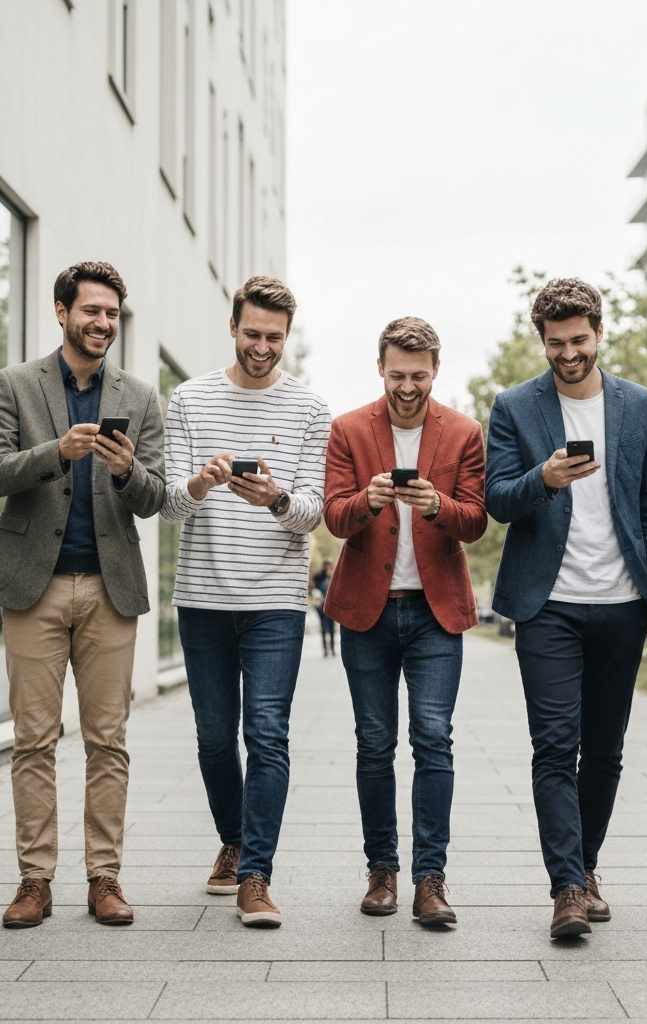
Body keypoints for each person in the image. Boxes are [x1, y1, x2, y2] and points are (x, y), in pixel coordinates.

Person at [0, 262, 166, 928]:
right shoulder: (15, 384)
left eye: (112, 314)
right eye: (91, 311)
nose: (103, 323)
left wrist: (127, 470)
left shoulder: (140, 397)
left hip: (111, 591)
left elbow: (155, 497)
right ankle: (35, 880)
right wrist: (56, 452)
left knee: (108, 742)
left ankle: (104, 877)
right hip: (34, 588)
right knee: (33, 740)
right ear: (62, 312)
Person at [485, 279, 647, 939]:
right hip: (548, 605)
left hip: (622, 604)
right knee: (556, 745)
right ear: (542, 341)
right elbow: (496, 499)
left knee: (606, 750)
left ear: (599, 333)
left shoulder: (640, 405)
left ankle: (586, 868)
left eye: (579, 340)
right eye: (556, 343)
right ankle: (566, 888)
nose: (569, 354)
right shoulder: (514, 406)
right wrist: (544, 479)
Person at [161, 276, 330, 929]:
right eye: (253, 333)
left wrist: (276, 500)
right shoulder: (189, 399)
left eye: (274, 337)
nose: (262, 347)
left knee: (266, 734)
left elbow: (313, 512)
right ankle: (232, 840)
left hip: (276, 603)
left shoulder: (310, 408)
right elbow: (168, 506)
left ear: (287, 336)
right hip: (203, 598)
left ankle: (255, 874)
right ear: (232, 327)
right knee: (212, 738)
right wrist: (201, 484)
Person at [323, 317, 487, 925]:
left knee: (434, 739)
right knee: (374, 743)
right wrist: (365, 501)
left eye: (419, 375)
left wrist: (439, 506)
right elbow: (334, 516)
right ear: (380, 369)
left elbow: (477, 519)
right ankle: (382, 871)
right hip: (366, 612)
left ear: (435, 370)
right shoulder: (348, 429)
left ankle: (431, 880)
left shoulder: (464, 432)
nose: (408, 387)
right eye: (397, 375)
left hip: (435, 614)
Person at [311, 559, 337, 656]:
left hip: (331, 606)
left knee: (331, 628)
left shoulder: (333, 577)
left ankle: (332, 649)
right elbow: (314, 589)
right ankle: (325, 650)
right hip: (321, 606)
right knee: (323, 628)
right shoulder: (318, 577)